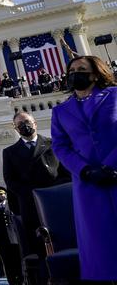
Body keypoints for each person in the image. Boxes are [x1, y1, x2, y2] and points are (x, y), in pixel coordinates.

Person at [50, 55, 117, 282]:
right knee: (99, 243)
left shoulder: (114, 96)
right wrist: (85, 170)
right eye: (71, 71)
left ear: (95, 73)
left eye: (81, 69)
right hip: (88, 184)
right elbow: (60, 146)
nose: (74, 74)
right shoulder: (60, 111)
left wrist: (110, 165)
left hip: (115, 173)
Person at [2, 111, 70, 257]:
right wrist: (32, 193)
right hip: (31, 206)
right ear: (16, 129)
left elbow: (66, 173)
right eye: (20, 124)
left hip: (57, 202)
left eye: (26, 121)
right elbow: (10, 181)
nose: (24, 126)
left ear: (35, 123)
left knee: (65, 244)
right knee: (39, 249)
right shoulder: (9, 152)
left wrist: (53, 191)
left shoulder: (53, 144)